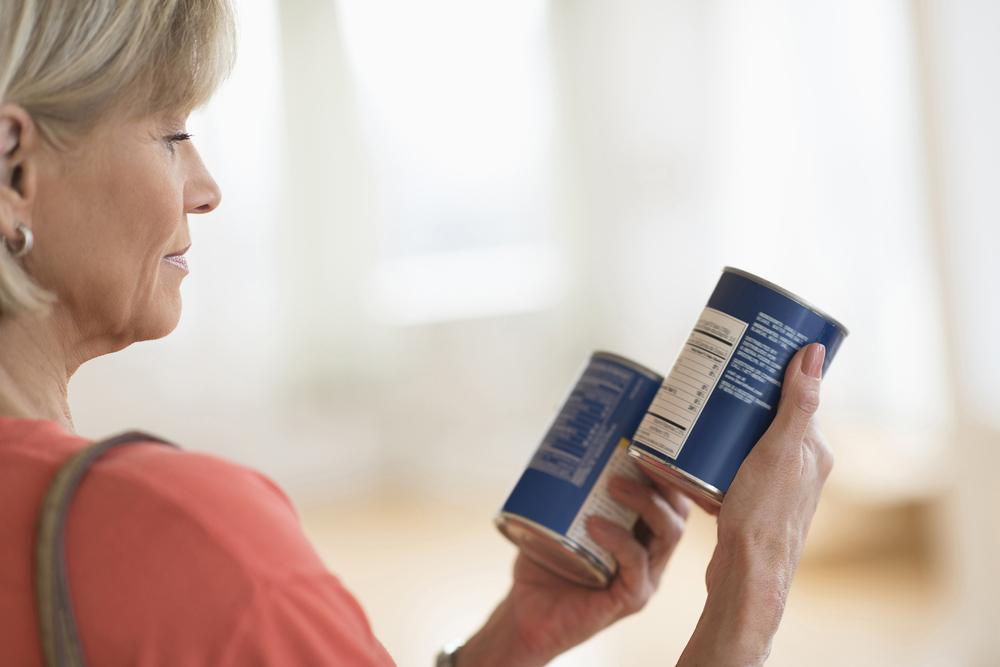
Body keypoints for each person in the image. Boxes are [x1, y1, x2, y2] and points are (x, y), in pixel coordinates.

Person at [0, 1, 834, 665]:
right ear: (14, 165)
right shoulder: (177, 535)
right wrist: (746, 601)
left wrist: (511, 645)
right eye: (172, 133)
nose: (206, 187)